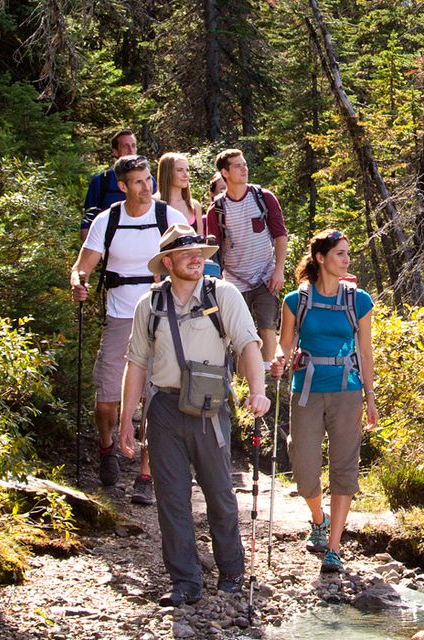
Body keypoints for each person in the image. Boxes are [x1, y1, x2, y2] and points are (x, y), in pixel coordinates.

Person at [119, 224, 269, 606]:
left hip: (211, 407)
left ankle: (232, 572)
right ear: (166, 261)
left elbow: (249, 345)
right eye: (185, 253)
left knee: (219, 494)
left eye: (199, 252)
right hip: (164, 409)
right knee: (171, 498)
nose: (195, 258)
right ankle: (185, 581)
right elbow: (136, 363)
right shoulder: (148, 304)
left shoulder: (223, 295)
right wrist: (127, 420)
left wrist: (258, 391)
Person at [71, 155, 189, 502]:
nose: (146, 186)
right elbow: (82, 266)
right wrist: (78, 282)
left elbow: (193, 259)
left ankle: (145, 474)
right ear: (122, 186)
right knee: (107, 398)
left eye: (148, 179)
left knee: (158, 397)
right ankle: (107, 446)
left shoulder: (169, 216)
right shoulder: (107, 220)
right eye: (138, 181)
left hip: (164, 314)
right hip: (120, 315)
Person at [271, 230, 377, 573]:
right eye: (340, 254)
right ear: (321, 258)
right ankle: (318, 518)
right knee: (303, 467)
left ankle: (333, 547)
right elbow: (285, 345)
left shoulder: (358, 300)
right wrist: (277, 359)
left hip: (347, 389)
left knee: (344, 466)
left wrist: (370, 396)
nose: (347, 260)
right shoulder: (295, 301)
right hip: (306, 387)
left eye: (347, 253)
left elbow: (366, 351)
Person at [205, 149, 287, 368]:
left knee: (267, 326)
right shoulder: (217, 210)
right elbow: (214, 250)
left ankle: (268, 374)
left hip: (265, 275)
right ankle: (244, 381)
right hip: (234, 279)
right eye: (238, 166)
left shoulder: (264, 198)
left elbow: (280, 235)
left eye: (245, 164)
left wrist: (279, 270)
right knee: (240, 331)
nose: (244, 169)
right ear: (225, 172)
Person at [81, 130, 156, 242]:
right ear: (115, 152)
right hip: (109, 249)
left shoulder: (150, 181)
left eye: (133, 146)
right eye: (125, 146)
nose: (131, 150)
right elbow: (86, 225)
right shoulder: (101, 181)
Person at [155, 153, 204, 235]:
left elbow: (201, 241)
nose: (186, 175)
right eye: (179, 170)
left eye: (187, 170)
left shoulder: (194, 206)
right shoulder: (153, 203)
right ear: (167, 173)